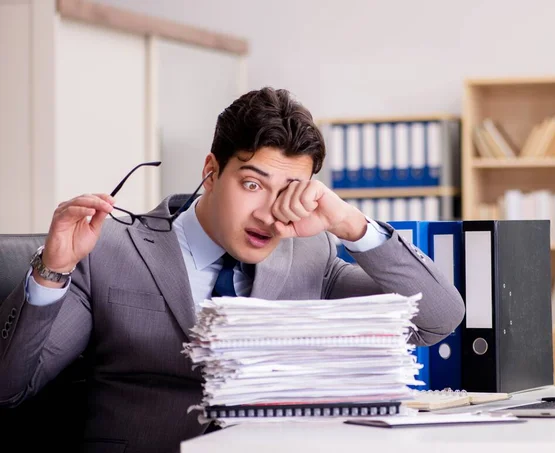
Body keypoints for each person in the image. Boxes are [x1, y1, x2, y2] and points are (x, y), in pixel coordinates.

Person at [0, 87, 465, 453]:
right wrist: (52, 270)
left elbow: (437, 318)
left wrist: (352, 225)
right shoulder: (108, 251)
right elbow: (10, 389)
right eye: (252, 184)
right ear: (210, 172)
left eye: (289, 190)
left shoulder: (309, 255)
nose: (269, 213)